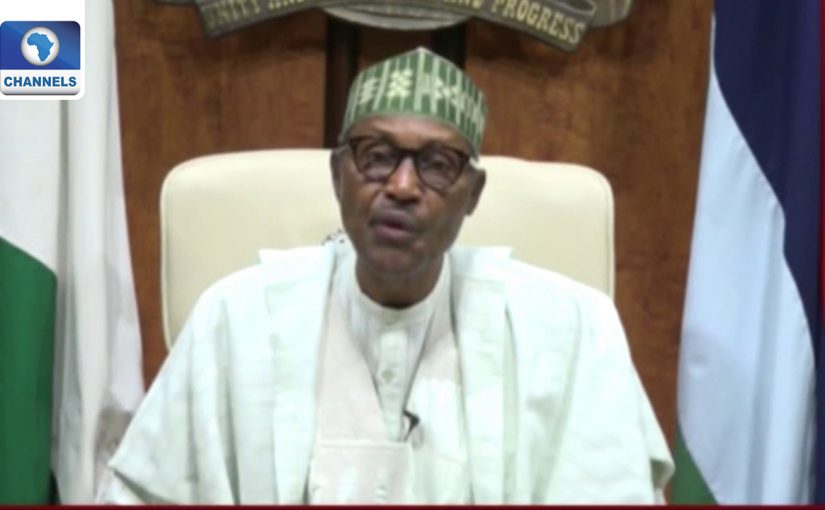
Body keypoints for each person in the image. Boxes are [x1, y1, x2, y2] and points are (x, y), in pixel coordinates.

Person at [100, 47, 673, 504]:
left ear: (473, 194)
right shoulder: (235, 318)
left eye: (437, 165)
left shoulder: (570, 331)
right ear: (338, 175)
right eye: (376, 156)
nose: (401, 186)